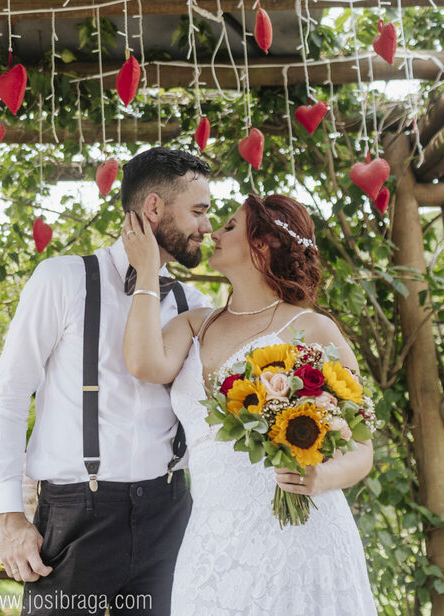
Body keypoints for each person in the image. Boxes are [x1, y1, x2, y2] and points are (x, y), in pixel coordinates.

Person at [0, 146, 214, 615]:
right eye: (198, 211)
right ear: (154, 208)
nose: (207, 227)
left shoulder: (194, 303)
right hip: (77, 516)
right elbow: (9, 396)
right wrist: (10, 518)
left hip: (169, 514)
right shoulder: (62, 280)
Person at [122, 193, 377, 614]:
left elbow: (362, 450)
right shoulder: (196, 324)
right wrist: (148, 271)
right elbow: (143, 363)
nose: (212, 232)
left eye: (229, 226)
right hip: (210, 540)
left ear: (264, 244)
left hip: (297, 536)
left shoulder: (312, 328)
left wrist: (320, 478)